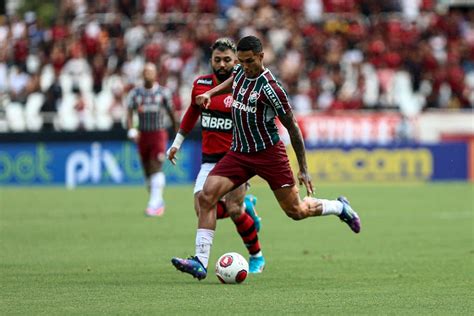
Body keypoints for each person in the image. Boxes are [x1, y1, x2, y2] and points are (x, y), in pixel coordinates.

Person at [171, 36, 361, 280]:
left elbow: (293, 128)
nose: (244, 66)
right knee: (207, 196)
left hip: (269, 155)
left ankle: (339, 207)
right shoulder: (240, 71)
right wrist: (211, 92)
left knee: (296, 211)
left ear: (261, 57)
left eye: (249, 61)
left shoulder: (272, 89)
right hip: (239, 152)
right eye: (240, 61)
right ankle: (200, 261)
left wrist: (304, 169)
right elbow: (233, 80)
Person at [166, 38, 265, 273]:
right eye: (217, 60)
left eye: (227, 60)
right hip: (210, 160)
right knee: (201, 207)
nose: (222, 65)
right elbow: (191, 113)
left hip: (236, 158)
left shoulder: (245, 85)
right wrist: (177, 143)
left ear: (236, 62)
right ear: (210, 60)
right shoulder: (200, 84)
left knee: (232, 208)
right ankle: (247, 206)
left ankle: (256, 256)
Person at [126, 62, 178, 216]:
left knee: (156, 165)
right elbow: (129, 112)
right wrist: (131, 129)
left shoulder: (163, 93)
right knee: (148, 172)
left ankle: (153, 204)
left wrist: (177, 135)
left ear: (156, 74)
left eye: (150, 71)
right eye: (145, 72)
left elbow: (172, 114)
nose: (147, 74)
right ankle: (158, 202)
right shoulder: (135, 94)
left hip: (158, 134)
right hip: (143, 135)